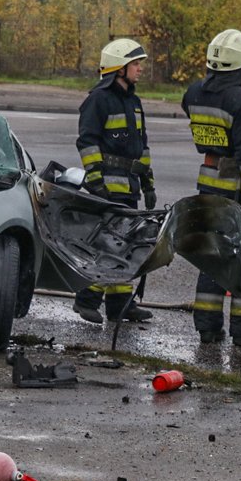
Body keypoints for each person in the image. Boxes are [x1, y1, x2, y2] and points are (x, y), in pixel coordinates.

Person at [181, 29, 241, 346]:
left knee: (211, 255)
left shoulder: (193, 93)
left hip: (208, 185)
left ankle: (207, 328)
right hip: (238, 194)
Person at [73, 38, 156, 325]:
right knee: (107, 246)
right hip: (107, 187)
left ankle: (120, 306)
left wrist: (148, 183)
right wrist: (96, 181)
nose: (140, 69)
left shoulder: (133, 101)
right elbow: (87, 141)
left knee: (128, 245)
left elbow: (142, 146)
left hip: (129, 187)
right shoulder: (98, 100)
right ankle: (86, 299)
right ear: (119, 68)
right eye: (135, 64)